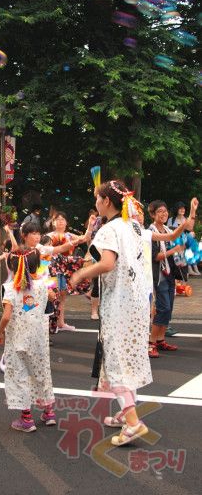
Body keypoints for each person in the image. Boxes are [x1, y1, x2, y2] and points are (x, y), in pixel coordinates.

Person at [70, 180, 152, 446]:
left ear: (106, 202)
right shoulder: (135, 226)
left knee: (116, 361)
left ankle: (133, 423)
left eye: (97, 198)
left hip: (119, 304)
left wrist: (81, 273)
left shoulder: (110, 228)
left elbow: (106, 263)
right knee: (129, 356)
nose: (95, 202)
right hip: (139, 300)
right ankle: (126, 410)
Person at [0, 249, 55, 432]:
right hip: (39, 338)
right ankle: (49, 412)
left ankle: (27, 419)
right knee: (41, 372)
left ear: (12, 266)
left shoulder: (11, 289)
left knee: (20, 374)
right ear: (36, 265)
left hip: (18, 339)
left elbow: (6, 317)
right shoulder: (43, 285)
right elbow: (51, 299)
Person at [148, 198, 198, 358]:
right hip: (159, 275)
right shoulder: (150, 233)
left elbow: (187, 226)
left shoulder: (169, 230)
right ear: (152, 214)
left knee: (168, 309)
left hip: (170, 275)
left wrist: (192, 210)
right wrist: (174, 249)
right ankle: (150, 343)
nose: (163, 214)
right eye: (159, 211)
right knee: (162, 308)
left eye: (165, 211)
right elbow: (155, 257)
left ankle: (161, 340)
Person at [47, 212, 78, 331]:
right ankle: (51, 323)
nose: (60, 221)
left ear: (66, 222)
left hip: (65, 268)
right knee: (52, 296)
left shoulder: (70, 236)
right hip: (53, 269)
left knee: (63, 296)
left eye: (62, 219)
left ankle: (61, 322)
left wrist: (90, 227)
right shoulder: (49, 236)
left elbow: (84, 239)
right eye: (57, 219)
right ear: (53, 223)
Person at [168, 202, 200, 276]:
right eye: (180, 208)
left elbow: (190, 230)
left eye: (184, 208)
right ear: (177, 209)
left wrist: (192, 233)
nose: (183, 210)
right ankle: (189, 268)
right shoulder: (171, 220)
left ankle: (194, 267)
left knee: (190, 242)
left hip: (185, 240)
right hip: (175, 240)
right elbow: (169, 231)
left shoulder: (187, 219)